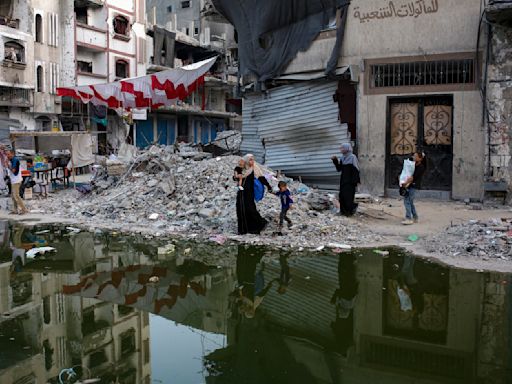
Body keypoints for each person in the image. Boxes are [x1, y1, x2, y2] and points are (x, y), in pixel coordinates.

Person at [235, 154, 268, 235]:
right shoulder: (241, 168)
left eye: (253, 160)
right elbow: (235, 177)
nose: (252, 161)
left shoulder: (254, 168)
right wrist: (237, 176)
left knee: (250, 209)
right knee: (240, 209)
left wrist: (268, 186)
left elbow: (261, 177)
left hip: (249, 192)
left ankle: (260, 224)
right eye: (250, 160)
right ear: (246, 160)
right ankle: (243, 230)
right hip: (241, 192)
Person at [331, 143, 360, 216]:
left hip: (350, 181)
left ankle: (349, 212)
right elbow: (339, 169)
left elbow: (356, 169)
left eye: (342, 148)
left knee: (349, 197)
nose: (341, 150)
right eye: (340, 148)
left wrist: (355, 181)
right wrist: (335, 161)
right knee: (342, 196)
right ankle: (343, 211)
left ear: (347, 148)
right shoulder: (342, 158)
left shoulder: (353, 157)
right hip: (343, 180)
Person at [402, 151, 426, 225]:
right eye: (413, 156)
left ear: (420, 158)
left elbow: (413, 177)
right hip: (408, 184)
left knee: (407, 201)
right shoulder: (412, 164)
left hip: (413, 185)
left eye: (416, 156)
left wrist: (405, 183)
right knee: (410, 201)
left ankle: (408, 218)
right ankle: (415, 217)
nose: (413, 157)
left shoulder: (421, 167)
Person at [7, 150, 27, 215]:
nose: (7, 156)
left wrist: (7, 165)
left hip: (16, 181)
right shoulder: (11, 160)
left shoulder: (15, 160)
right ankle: (15, 210)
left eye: (8, 154)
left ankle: (24, 209)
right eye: (7, 154)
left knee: (16, 196)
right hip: (13, 180)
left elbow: (13, 171)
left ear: (12, 154)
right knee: (13, 196)